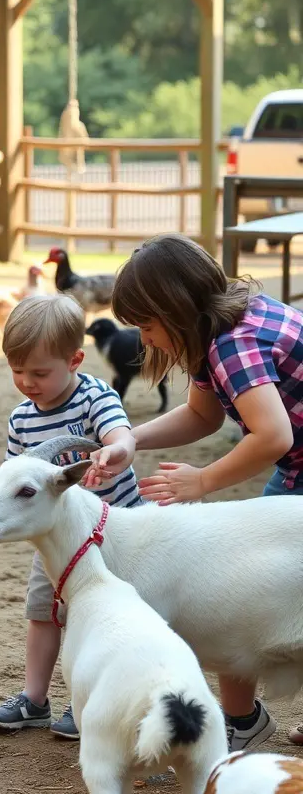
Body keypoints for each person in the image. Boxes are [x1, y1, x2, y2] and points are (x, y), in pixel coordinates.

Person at [89, 232, 303, 750]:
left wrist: (204, 481)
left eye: (147, 325)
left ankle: (239, 720)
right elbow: (203, 415)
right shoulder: (219, 326)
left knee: (249, 585)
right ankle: (241, 718)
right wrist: (130, 439)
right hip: (297, 464)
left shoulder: (232, 343)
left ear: (175, 309)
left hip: (294, 459)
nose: (146, 340)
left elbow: (274, 435)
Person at [0, 294, 141, 740]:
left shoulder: (94, 397)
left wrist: (113, 453)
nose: (26, 382)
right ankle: (34, 699)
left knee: (98, 615)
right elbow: (16, 478)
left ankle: (84, 701)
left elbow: (121, 437)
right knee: (43, 612)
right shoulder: (21, 419)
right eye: (17, 371)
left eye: (38, 372)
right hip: (53, 538)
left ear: (75, 360)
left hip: (115, 533)